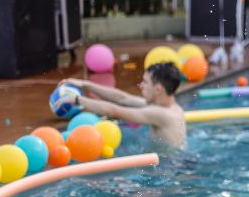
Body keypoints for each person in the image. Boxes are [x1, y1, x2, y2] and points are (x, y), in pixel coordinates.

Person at [56, 62, 186, 148]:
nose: (141, 85)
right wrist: (85, 84)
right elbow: (122, 98)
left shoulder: (161, 114)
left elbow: (113, 111)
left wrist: (77, 99)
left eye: (145, 82)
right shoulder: (166, 107)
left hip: (167, 171)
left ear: (158, 89)